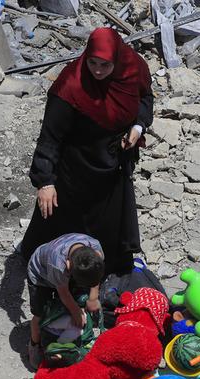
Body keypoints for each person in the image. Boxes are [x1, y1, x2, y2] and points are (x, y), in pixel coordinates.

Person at [19, 27, 153, 275]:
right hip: (76, 167)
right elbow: (50, 136)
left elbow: (145, 98)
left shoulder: (133, 68)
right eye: (92, 63)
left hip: (115, 162)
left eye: (105, 65)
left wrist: (137, 126)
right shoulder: (71, 84)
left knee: (110, 222)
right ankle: (54, 267)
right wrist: (45, 181)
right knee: (64, 222)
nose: (98, 71)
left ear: (117, 59)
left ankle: (102, 269)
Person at [27, 233, 105, 367]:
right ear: (68, 266)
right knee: (39, 315)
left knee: (77, 302)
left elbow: (95, 279)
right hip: (40, 275)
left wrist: (93, 298)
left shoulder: (96, 249)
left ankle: (68, 338)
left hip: (63, 275)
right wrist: (76, 311)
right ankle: (34, 345)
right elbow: (63, 292)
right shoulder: (58, 264)